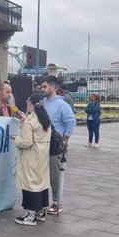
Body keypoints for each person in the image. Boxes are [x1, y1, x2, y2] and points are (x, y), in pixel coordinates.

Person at [10, 93, 52, 226]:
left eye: (28, 102)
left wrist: (16, 138)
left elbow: (26, 142)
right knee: (41, 182)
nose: (27, 104)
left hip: (31, 156)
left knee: (30, 185)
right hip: (42, 156)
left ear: (32, 104)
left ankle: (31, 214)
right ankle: (40, 212)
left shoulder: (30, 121)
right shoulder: (44, 119)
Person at [41, 75, 76, 215]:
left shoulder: (62, 105)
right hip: (42, 144)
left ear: (53, 87)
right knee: (42, 174)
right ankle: (43, 201)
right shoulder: (43, 102)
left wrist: (64, 139)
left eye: (45, 86)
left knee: (55, 175)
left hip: (55, 146)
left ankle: (57, 202)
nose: (42, 89)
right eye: (41, 86)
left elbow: (71, 122)